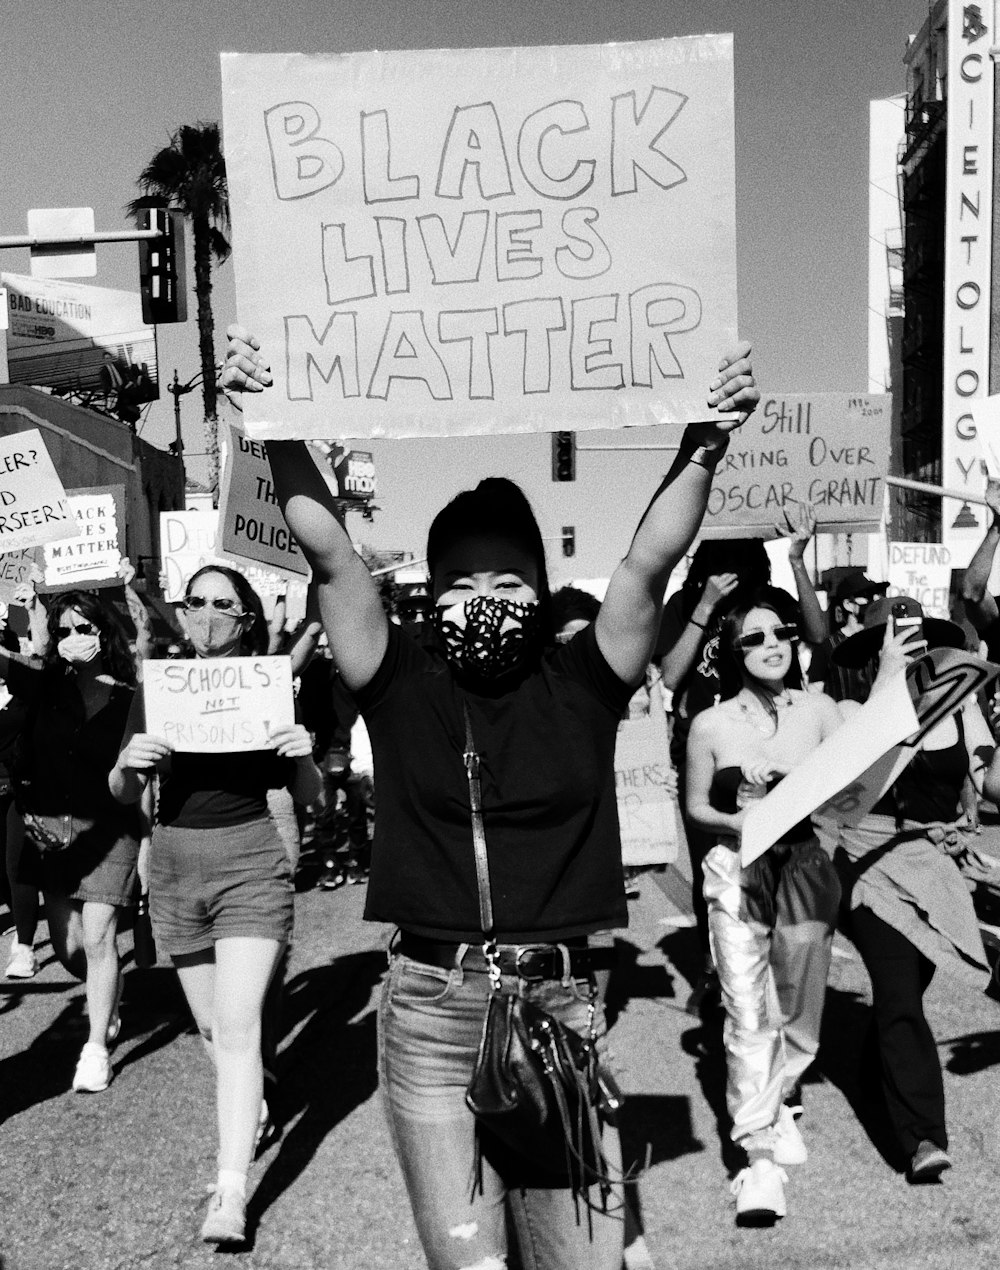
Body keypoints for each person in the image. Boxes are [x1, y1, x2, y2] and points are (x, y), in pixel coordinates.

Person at [223, 323, 758, 1270]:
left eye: (510, 580)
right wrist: (268, 426)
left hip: (555, 1007)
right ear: (430, 593)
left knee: (580, 1261)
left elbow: (646, 563)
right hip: (430, 1013)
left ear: (545, 592)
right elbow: (336, 559)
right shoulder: (400, 683)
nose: (486, 599)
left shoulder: (586, 684)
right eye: (462, 581)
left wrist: (705, 442)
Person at [109, 565, 321, 1245]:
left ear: (246, 618)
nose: (204, 615)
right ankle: (250, 1099)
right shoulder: (162, 687)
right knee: (211, 1032)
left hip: (250, 862)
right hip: (172, 865)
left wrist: (305, 758)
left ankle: (230, 1191)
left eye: (220, 605)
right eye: (193, 602)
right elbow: (120, 789)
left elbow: (310, 795)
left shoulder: (268, 685)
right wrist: (129, 765)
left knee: (235, 1028)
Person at [830, 595, 1000, 1183]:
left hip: (935, 864)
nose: (913, 647)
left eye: (920, 637)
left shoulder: (959, 707)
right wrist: (886, 689)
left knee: (910, 988)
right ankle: (924, 1136)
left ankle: (870, 1066)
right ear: (875, 651)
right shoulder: (850, 710)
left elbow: (991, 782)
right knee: (900, 993)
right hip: (870, 861)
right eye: (897, 639)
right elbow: (844, 790)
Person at [685, 600, 843, 1226]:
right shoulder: (711, 724)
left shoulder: (821, 710)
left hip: (805, 862)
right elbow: (697, 807)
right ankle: (758, 1158)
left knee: (801, 1000)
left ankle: (783, 1097)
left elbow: (856, 781)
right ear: (732, 650)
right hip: (737, 868)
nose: (773, 644)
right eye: (754, 638)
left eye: (782, 632)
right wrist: (738, 815)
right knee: (748, 1008)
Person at [659, 508, 827, 1012]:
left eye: (744, 554)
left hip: (774, 742)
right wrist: (706, 604)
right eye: (723, 555)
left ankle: (778, 966)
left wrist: (798, 560)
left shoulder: (772, 604)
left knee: (782, 857)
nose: (734, 565)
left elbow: (818, 636)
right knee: (715, 861)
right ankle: (717, 968)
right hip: (710, 747)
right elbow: (671, 675)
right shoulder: (688, 601)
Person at [2, 590, 142, 1091]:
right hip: (53, 828)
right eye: (64, 631)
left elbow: (139, 779)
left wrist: (146, 845)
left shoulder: (131, 696)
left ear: (104, 633)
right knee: (68, 947)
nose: (74, 639)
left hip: (112, 829)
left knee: (100, 933)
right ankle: (108, 990)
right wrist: (34, 626)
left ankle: (96, 1047)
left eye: (84, 629)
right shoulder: (44, 688)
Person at [806, 569, 888, 702]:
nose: (874, 600)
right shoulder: (826, 648)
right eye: (867, 595)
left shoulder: (880, 641)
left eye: (876, 594)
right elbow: (815, 697)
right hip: (842, 721)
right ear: (848, 605)